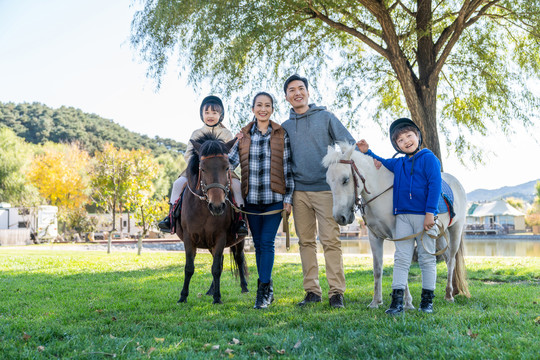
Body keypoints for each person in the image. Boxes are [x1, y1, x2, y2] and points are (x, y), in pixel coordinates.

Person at [281, 74, 356, 309]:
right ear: (286, 97)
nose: (297, 93)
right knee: (305, 242)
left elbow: (348, 145)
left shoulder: (326, 118)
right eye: (292, 90)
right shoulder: (284, 127)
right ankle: (312, 291)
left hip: (325, 191)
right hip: (299, 193)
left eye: (301, 88)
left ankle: (337, 293)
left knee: (330, 242)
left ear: (308, 92)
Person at [356, 117, 442, 315]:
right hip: (402, 217)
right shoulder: (399, 163)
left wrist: (430, 213)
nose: (406, 141)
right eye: (400, 140)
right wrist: (367, 151)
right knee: (401, 258)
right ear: (397, 145)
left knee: (426, 258)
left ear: (417, 136)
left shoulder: (429, 158)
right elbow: (383, 161)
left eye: (409, 136)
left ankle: (427, 302)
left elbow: (434, 185)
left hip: (424, 217)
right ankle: (397, 302)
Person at [229, 92, 294, 309]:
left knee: (267, 243)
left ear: (272, 109)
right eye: (259, 105)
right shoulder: (244, 136)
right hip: (251, 200)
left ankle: (263, 291)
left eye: (267, 105)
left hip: (274, 198)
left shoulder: (280, 134)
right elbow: (228, 164)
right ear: (253, 109)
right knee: (257, 245)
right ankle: (268, 288)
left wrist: (288, 198)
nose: (263, 109)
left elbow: (288, 168)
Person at [158, 95, 248, 236]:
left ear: (221, 115)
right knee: (177, 184)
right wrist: (197, 168)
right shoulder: (196, 133)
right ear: (202, 115)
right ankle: (170, 217)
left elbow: (230, 154)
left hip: (222, 171)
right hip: (198, 171)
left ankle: (240, 219)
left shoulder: (226, 134)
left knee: (236, 186)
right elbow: (188, 154)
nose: (210, 115)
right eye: (207, 112)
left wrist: (238, 140)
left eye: (214, 112)